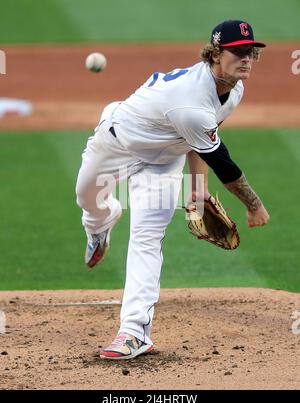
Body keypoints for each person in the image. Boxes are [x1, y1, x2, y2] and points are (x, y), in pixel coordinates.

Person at [76, 20, 270, 360]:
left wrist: (196, 187)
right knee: (88, 200)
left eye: (251, 52)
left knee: (147, 237)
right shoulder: (190, 101)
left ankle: (135, 332)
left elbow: (203, 140)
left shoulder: (234, 89)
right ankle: (100, 225)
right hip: (116, 145)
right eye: (238, 52)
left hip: (163, 163)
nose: (247, 59)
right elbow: (223, 161)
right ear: (215, 54)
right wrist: (254, 205)